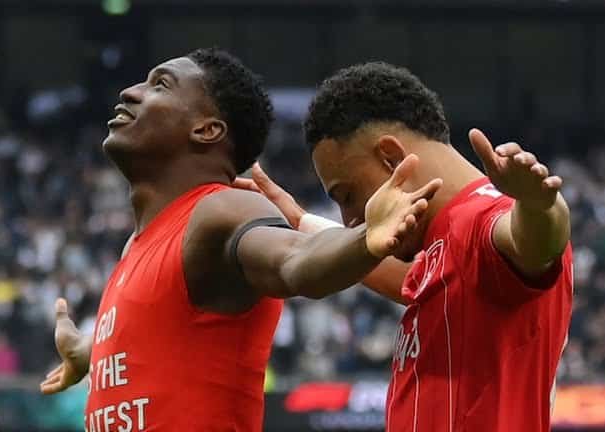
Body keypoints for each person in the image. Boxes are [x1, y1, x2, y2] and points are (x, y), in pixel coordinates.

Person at [38, 49, 442, 432]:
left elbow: (294, 262)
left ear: (207, 129)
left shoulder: (223, 210)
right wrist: (94, 352)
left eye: (160, 85)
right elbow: (170, 332)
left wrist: (366, 238)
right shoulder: (139, 245)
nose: (130, 92)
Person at [238, 62, 572, 432]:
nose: (349, 218)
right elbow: (404, 277)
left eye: (347, 196)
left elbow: (538, 242)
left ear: (391, 157)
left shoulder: (483, 221)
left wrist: (541, 206)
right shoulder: (444, 246)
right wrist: (303, 223)